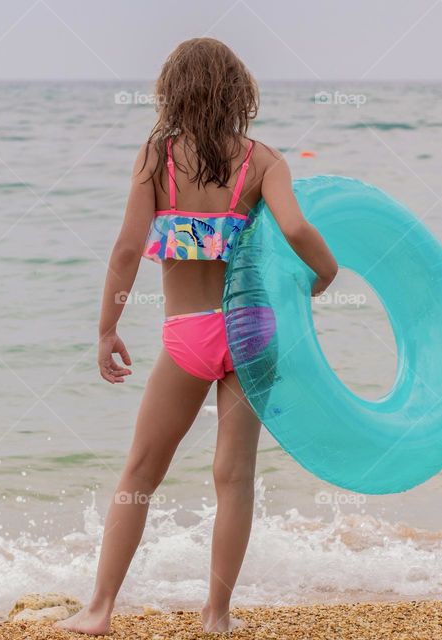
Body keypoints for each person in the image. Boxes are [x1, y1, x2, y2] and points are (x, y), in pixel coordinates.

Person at [57, 37, 338, 635]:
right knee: (232, 478)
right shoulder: (265, 161)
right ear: (239, 92)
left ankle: (100, 609)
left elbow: (128, 248)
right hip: (250, 332)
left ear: (172, 92)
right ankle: (216, 616)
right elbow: (294, 226)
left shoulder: (157, 158)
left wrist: (107, 328)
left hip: (188, 335)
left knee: (139, 473)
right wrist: (327, 272)